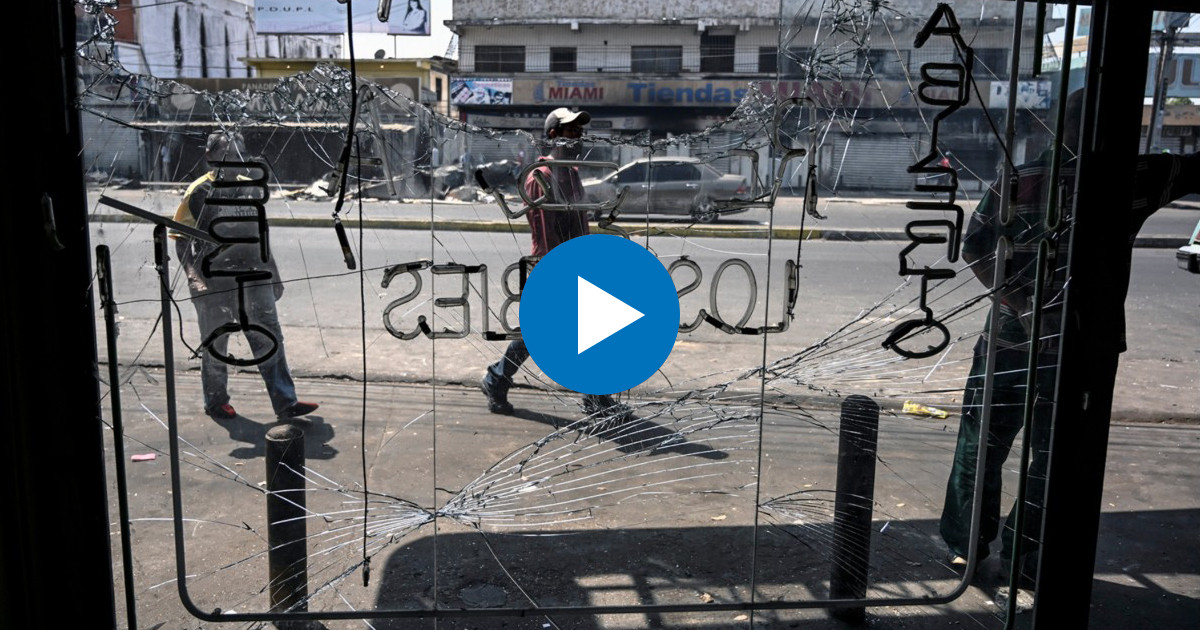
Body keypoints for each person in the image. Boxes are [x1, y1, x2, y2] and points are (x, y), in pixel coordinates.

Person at [940, 89, 1198, 586]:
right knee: (1052, 456)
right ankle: (1024, 559)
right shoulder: (1131, 179)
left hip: (1008, 342)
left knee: (982, 444)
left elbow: (975, 249)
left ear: (1058, 126)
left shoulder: (1020, 178)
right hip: (1079, 351)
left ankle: (965, 548)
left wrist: (1021, 306)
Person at [480, 108, 631, 422]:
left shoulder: (570, 172)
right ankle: (591, 396)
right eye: (571, 130)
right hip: (552, 264)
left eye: (579, 131)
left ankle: (499, 380)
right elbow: (545, 229)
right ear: (553, 134)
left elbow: (580, 222)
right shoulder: (542, 175)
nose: (578, 136)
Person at [172, 131, 319, 422]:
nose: (234, 159)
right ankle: (216, 402)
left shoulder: (249, 188)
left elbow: (259, 233)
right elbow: (180, 238)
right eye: (227, 153)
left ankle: (285, 402)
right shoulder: (199, 191)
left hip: (254, 276)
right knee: (216, 343)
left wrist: (274, 273)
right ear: (210, 157)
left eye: (238, 153)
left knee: (270, 338)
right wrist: (193, 277)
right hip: (214, 280)